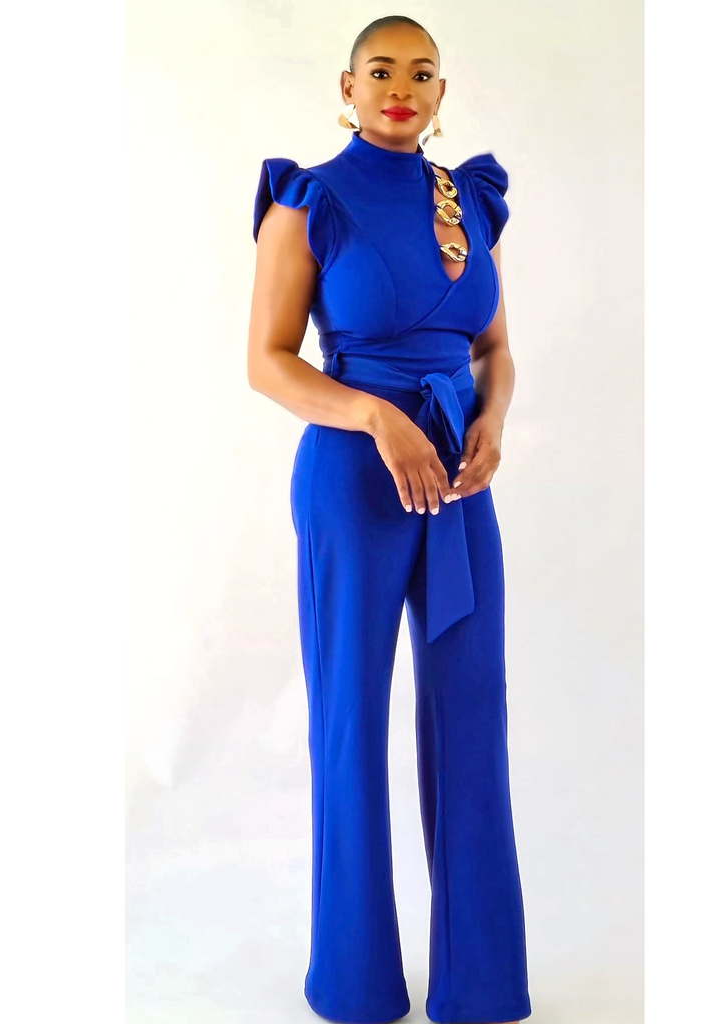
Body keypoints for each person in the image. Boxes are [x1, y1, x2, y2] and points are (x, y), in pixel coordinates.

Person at [248, 15, 530, 1024]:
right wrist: (376, 417)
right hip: (352, 482)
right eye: (381, 71)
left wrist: (491, 421)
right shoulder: (307, 201)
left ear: (441, 93)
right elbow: (267, 361)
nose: (401, 87)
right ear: (349, 87)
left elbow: (493, 347)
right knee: (350, 719)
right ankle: (356, 982)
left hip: (460, 482)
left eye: (421, 73)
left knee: (473, 716)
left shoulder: (470, 202)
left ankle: (479, 987)